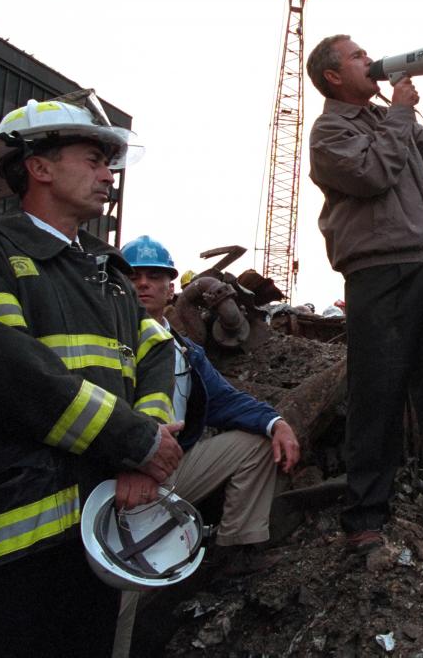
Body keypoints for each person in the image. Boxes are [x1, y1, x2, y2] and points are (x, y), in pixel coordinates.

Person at [0, 94, 180, 657]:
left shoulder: (107, 273)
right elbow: (12, 375)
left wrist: (145, 452)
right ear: (39, 167)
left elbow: (156, 353)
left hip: (91, 533)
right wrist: (139, 442)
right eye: (93, 160)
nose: (108, 176)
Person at [306, 34, 423, 554]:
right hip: (377, 275)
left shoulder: (387, 120)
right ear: (333, 76)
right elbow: (371, 174)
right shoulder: (329, 131)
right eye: (357, 56)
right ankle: (365, 516)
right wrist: (401, 112)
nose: (370, 60)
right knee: (376, 395)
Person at [116, 235, 301, 656]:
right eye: (133, 276)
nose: (143, 284)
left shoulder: (183, 349)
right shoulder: (105, 339)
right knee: (118, 590)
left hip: (170, 470)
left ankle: (236, 550)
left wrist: (276, 422)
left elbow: (224, 399)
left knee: (255, 443)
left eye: (154, 277)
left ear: (170, 288)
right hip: (117, 480)